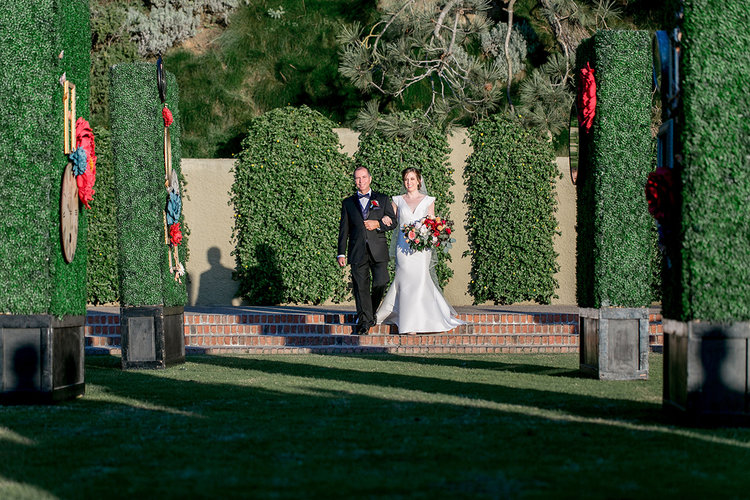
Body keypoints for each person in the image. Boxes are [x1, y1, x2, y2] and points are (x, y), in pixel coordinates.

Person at [375, 167, 465, 334]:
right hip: (403, 248)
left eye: (412, 179)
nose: (409, 182)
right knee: (405, 281)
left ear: (419, 181)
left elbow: (432, 223)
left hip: (422, 249)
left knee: (421, 280)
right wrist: (385, 218)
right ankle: (408, 322)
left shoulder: (428, 200)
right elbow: (391, 219)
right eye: (406, 179)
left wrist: (430, 234)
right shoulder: (398, 200)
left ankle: (421, 320)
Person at [337, 166, 397, 334]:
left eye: (363, 177)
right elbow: (344, 230)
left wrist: (378, 224)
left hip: (378, 249)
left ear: (370, 179)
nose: (361, 181)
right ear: (354, 181)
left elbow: (393, 222)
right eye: (357, 178)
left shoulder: (382, 199)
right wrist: (341, 252)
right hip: (357, 250)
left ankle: (368, 313)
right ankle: (364, 323)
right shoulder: (348, 203)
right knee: (361, 287)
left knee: (381, 281)